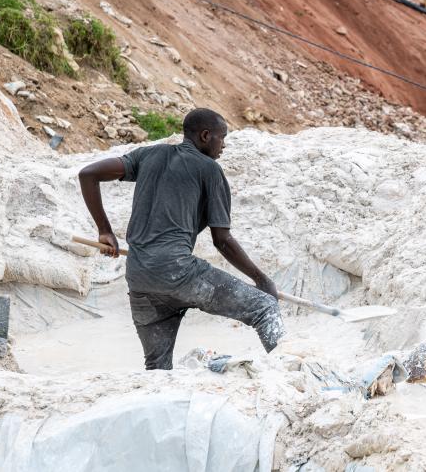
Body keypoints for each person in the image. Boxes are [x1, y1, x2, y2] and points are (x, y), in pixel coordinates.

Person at [78, 109, 284, 370]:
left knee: (157, 368)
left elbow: (88, 174)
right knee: (265, 309)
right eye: (222, 138)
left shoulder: (148, 155)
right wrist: (261, 280)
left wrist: (104, 230)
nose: (224, 145)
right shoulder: (210, 170)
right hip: (179, 272)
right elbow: (222, 241)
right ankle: (287, 376)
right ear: (206, 136)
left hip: (140, 279)